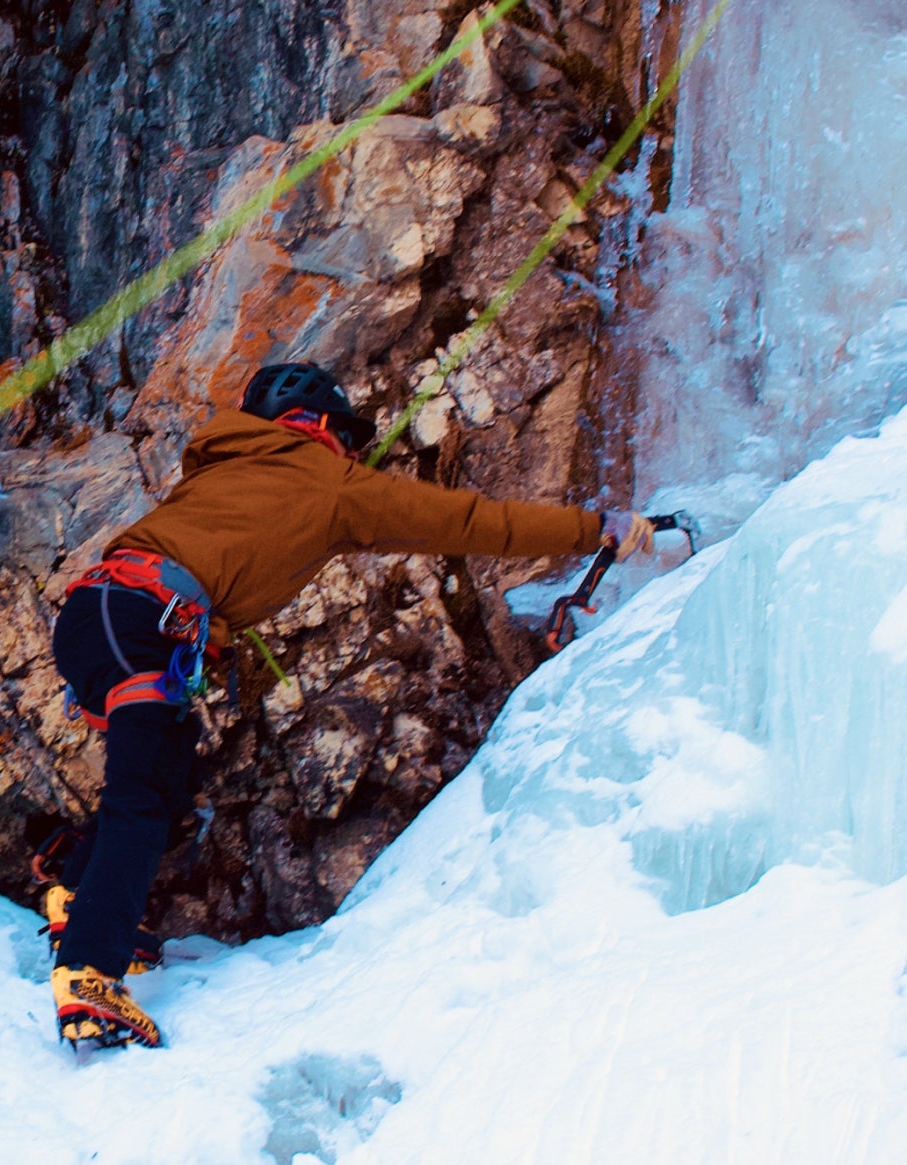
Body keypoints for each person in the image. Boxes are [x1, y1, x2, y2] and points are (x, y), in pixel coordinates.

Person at [42, 360, 657, 1052]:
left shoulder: (222, 466)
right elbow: (469, 522)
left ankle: (77, 901)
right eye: (349, 438)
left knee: (166, 770)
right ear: (325, 427)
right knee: (142, 792)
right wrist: (591, 526)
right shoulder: (328, 479)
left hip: (102, 618)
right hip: (145, 621)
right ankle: (89, 973)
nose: (353, 452)